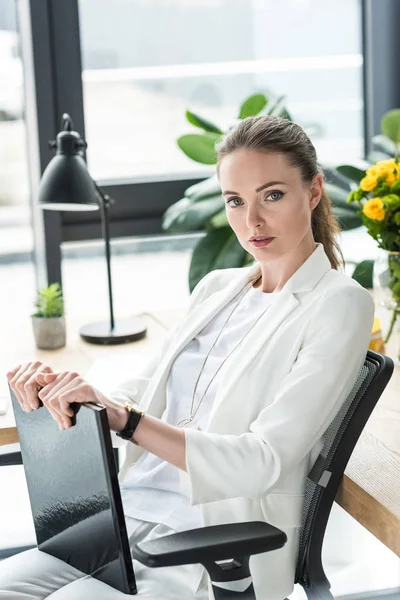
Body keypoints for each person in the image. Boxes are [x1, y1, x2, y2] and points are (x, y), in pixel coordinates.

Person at [2, 115, 375, 600]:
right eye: (235, 201)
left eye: (273, 195)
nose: (252, 221)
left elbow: (262, 461)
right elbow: (144, 391)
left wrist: (128, 420)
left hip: (202, 546)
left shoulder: (339, 303)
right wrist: (68, 390)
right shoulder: (219, 287)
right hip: (121, 519)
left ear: (315, 190)